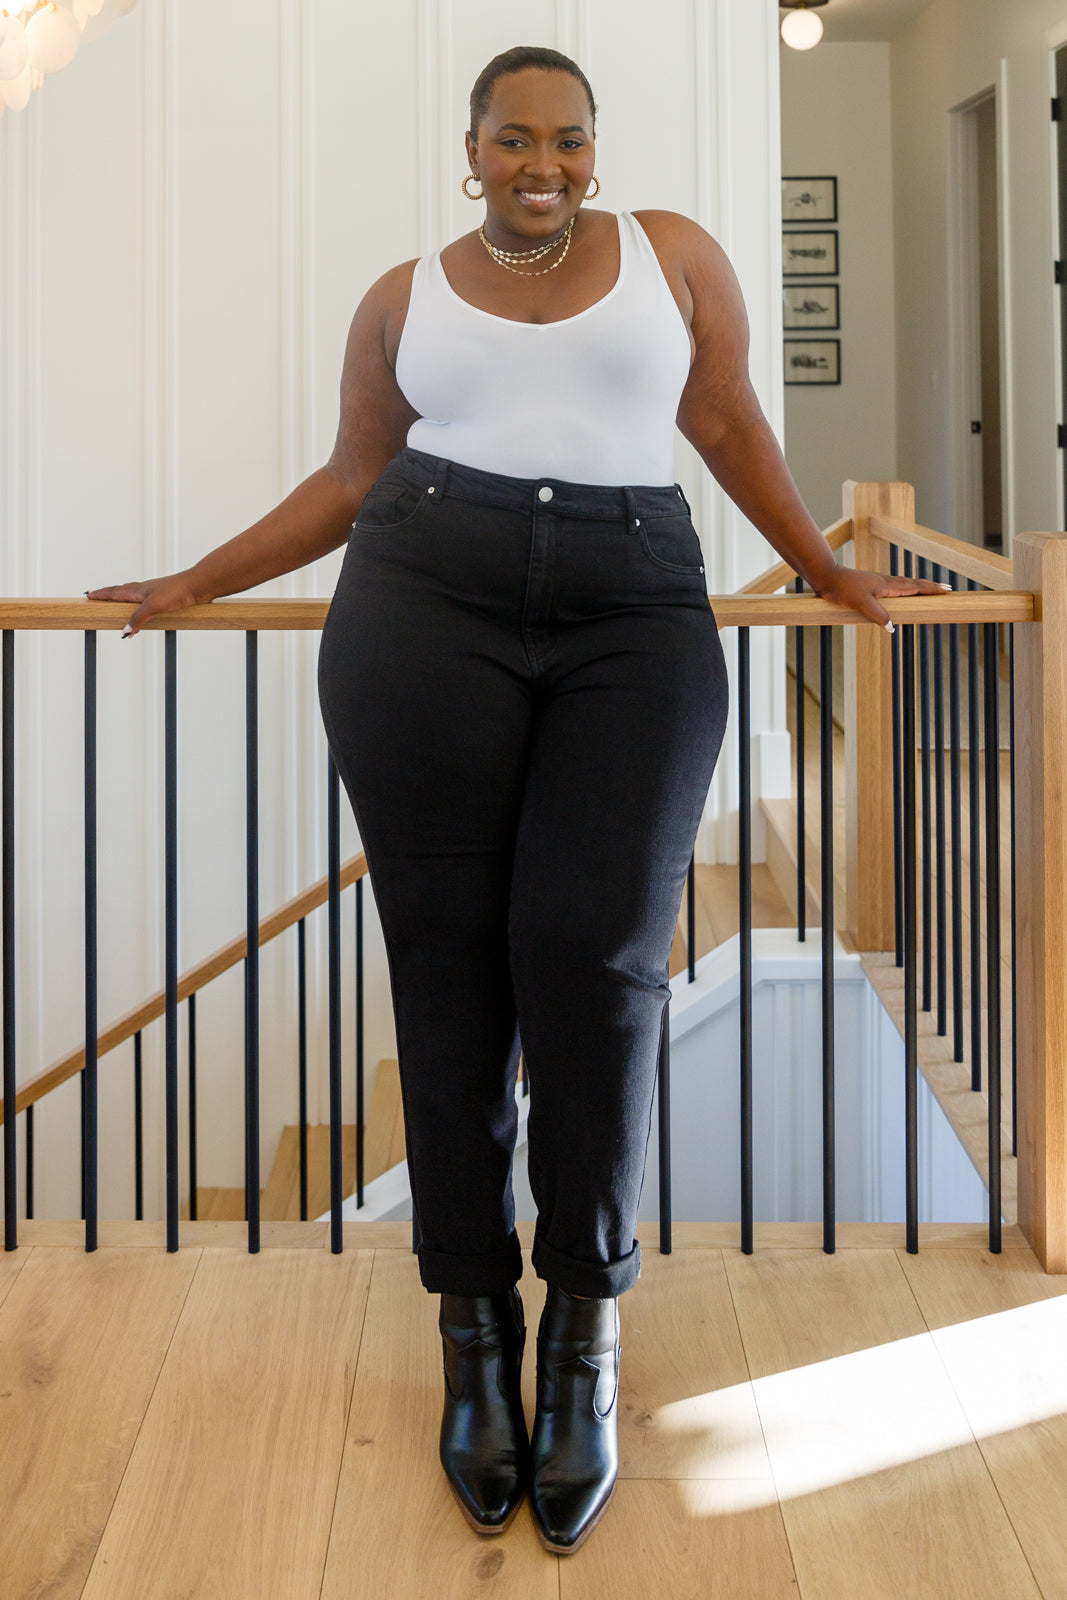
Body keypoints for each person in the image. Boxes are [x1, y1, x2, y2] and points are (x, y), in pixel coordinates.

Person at [88, 45, 946, 1557]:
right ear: (471, 148)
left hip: (636, 607)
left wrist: (824, 568)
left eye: (567, 139)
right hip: (424, 599)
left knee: (596, 968)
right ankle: (475, 1328)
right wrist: (196, 579)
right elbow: (352, 479)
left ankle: (585, 1336)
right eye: (512, 139)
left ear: (594, 151)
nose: (541, 163)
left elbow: (728, 421)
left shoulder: (672, 257)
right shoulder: (400, 299)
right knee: (447, 971)